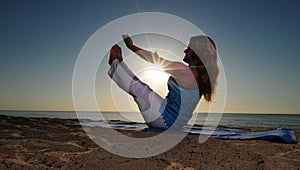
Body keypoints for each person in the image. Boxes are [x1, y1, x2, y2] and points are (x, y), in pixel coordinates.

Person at [108, 34, 219, 130]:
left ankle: (116, 66)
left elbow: (155, 60)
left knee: (141, 90)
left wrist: (131, 46)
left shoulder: (187, 72)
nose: (185, 50)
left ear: (196, 52)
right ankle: (119, 67)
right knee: (145, 91)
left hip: (165, 122)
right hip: (174, 120)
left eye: (189, 48)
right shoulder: (199, 76)